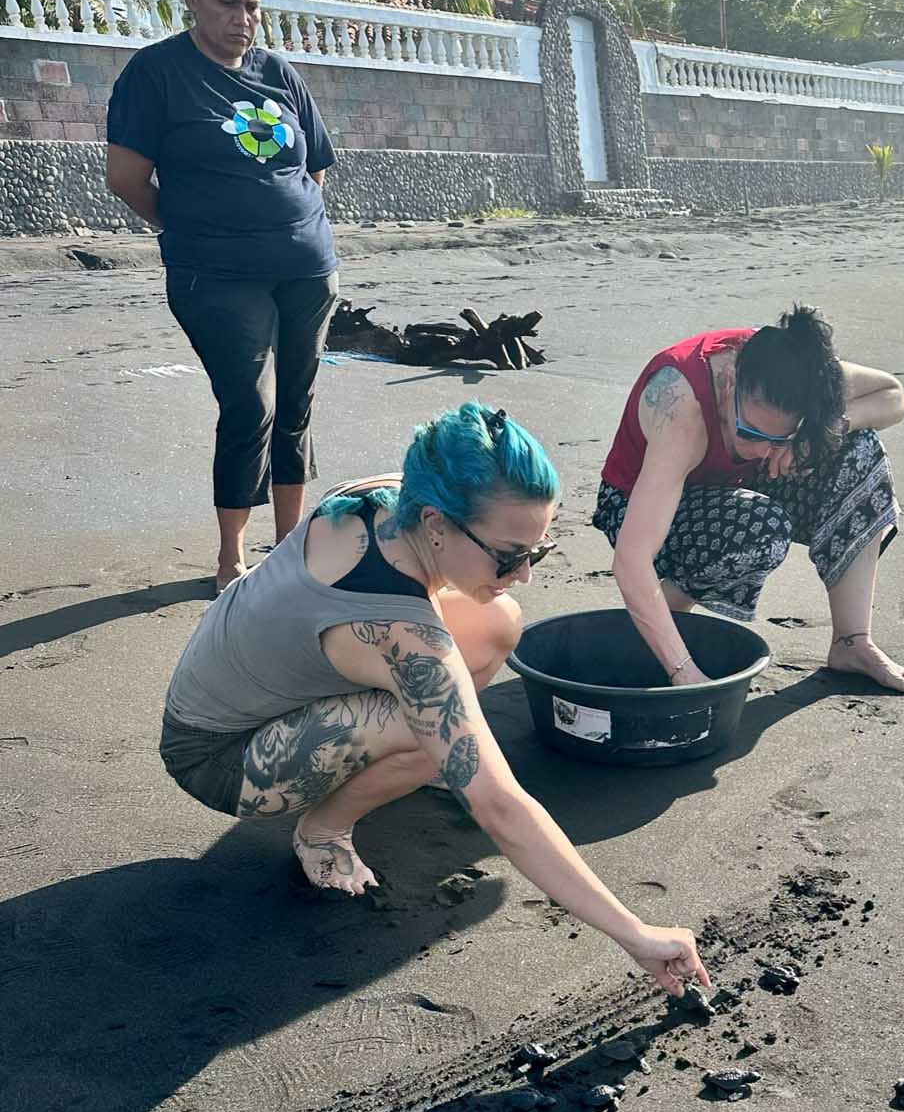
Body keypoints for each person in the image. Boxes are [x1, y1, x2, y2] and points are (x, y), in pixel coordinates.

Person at [158, 401, 710, 999]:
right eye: (508, 555)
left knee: (498, 619)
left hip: (269, 682)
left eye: (537, 551)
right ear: (437, 523)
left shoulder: (387, 497)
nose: (524, 570)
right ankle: (322, 828)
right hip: (219, 757)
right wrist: (635, 934)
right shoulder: (403, 636)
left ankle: (402, 763)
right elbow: (501, 806)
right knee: (440, 729)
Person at [106, 0, 341, 591]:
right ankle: (232, 554)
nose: (243, 19)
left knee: (296, 405)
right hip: (215, 275)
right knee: (250, 405)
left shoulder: (279, 73)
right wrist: (183, 228)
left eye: (253, 6)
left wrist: (290, 225)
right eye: (227, 3)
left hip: (305, 268)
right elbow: (126, 179)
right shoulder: (155, 74)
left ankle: (291, 546)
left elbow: (314, 169)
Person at [594, 305, 904, 693]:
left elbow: (892, 396)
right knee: (759, 530)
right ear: (731, 381)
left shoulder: (797, 371)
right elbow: (631, 560)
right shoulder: (682, 408)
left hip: (734, 484)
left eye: (778, 439)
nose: (763, 450)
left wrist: (823, 431)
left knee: (859, 450)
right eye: (749, 433)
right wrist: (685, 673)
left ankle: (852, 643)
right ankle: (650, 625)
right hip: (637, 504)